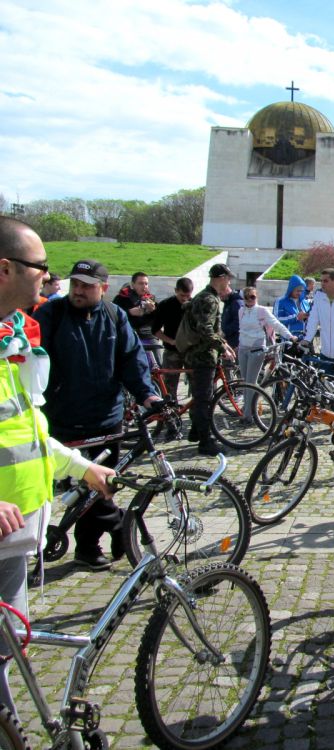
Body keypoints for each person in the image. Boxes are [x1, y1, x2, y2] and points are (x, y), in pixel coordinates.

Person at [0, 218, 115, 717]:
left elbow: (26, 431)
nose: (49, 278)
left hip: (16, 532)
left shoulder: (12, 337)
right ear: (5, 269)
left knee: (8, 653)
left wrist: (81, 466)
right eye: (41, 267)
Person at [34, 259, 160, 569]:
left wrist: (146, 394)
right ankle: (119, 528)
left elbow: (131, 358)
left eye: (86, 286)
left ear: (102, 288)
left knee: (102, 485)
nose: (78, 290)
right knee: (87, 484)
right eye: (75, 284)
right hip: (64, 416)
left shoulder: (115, 316)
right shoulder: (52, 314)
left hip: (106, 417)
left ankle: (87, 548)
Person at [185, 264, 236, 456]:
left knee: (199, 396)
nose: (229, 282)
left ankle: (195, 432)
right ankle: (205, 442)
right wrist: (222, 347)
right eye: (228, 278)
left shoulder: (204, 296)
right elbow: (205, 329)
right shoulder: (209, 299)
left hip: (197, 354)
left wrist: (224, 343)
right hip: (203, 356)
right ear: (220, 278)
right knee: (204, 400)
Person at [237, 285, 296, 394]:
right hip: (243, 348)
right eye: (246, 297)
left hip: (257, 348)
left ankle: (248, 411)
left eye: (252, 297)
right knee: (245, 382)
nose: (249, 299)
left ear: (257, 297)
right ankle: (248, 408)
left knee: (250, 383)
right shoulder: (241, 311)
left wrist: (290, 336)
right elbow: (241, 329)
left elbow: (276, 324)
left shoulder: (262, 311)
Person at [151, 277, 194, 403]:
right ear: (176, 291)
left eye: (188, 295)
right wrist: (171, 341)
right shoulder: (165, 305)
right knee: (169, 387)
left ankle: (195, 413)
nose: (185, 299)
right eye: (182, 295)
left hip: (191, 351)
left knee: (197, 385)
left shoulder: (195, 304)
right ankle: (171, 413)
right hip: (172, 351)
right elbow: (155, 330)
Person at [113, 271, 161, 366]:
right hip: (129, 334)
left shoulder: (151, 298)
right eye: (140, 283)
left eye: (146, 283)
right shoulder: (121, 298)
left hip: (148, 335)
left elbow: (159, 320)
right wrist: (129, 312)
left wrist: (154, 311)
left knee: (158, 364)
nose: (144, 286)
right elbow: (113, 316)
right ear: (133, 284)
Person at [273, 274, 309, 340]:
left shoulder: (305, 302)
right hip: (289, 340)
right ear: (291, 289)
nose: (299, 293)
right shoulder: (280, 301)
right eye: (297, 290)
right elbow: (276, 320)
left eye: (301, 291)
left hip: (305, 340)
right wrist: (296, 317)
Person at [221, 287, 243, 351]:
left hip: (235, 341)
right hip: (229, 339)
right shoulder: (228, 302)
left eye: (220, 293)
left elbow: (238, 322)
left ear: (226, 291)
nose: (219, 296)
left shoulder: (237, 303)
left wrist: (225, 331)